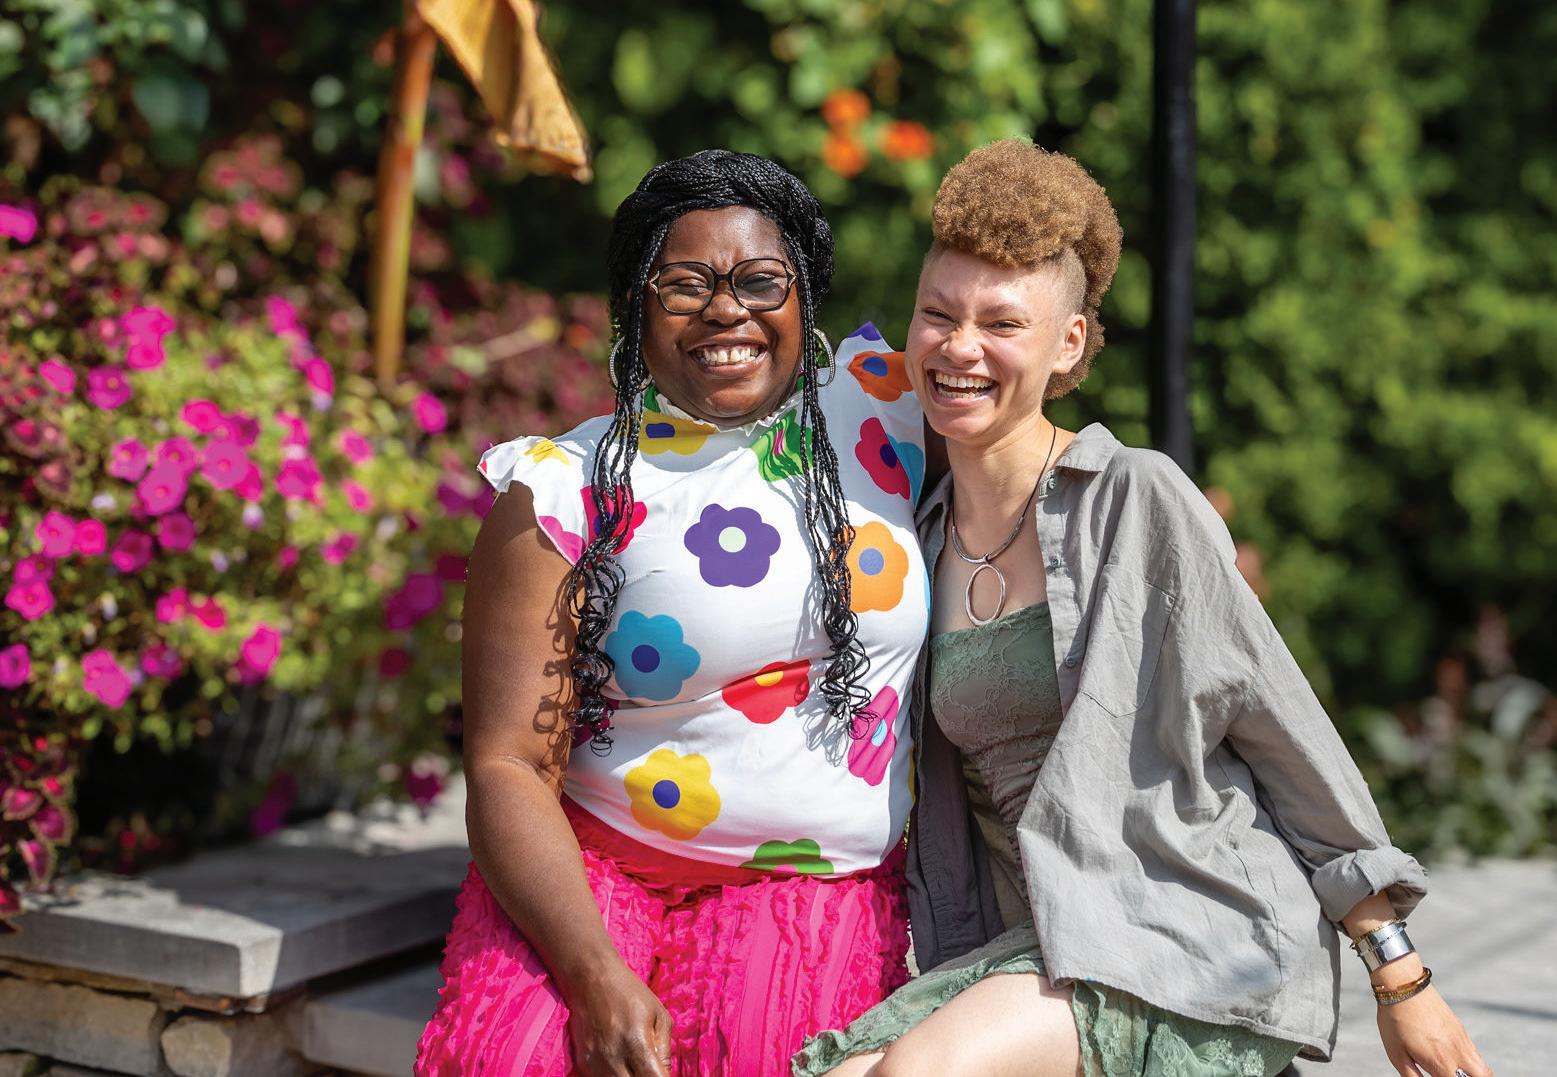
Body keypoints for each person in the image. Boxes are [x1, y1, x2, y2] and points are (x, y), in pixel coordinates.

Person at [794, 140, 1492, 1077]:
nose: (959, 347)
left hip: (1187, 928)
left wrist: (1399, 977)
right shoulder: (911, 535)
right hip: (1041, 943)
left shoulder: (1134, 497)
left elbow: (1283, 735)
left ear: (1068, 343)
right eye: (937, 314)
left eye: (1001, 323)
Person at [415, 149, 931, 1076]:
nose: (726, 309)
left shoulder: (891, 409)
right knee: (516, 1060)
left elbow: (1020, 400)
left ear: (805, 297)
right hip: (598, 864)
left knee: (759, 1052)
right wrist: (590, 972)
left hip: (811, 877)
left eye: (760, 281)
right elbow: (505, 762)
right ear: (635, 307)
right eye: (684, 284)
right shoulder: (561, 489)